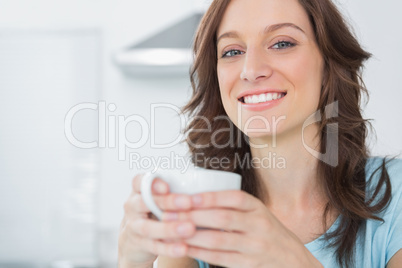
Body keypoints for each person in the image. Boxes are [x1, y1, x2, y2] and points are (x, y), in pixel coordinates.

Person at [118, 0, 402, 267]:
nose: (251, 70)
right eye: (232, 51)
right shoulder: (200, 215)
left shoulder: (396, 197)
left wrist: (296, 261)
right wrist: (133, 263)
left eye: (281, 43)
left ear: (328, 65)